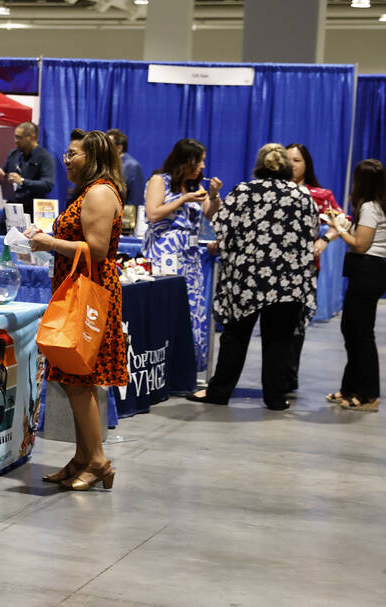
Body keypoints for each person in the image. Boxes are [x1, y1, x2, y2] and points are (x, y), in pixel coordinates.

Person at [24, 129, 128, 491]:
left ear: (93, 157)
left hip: (91, 298)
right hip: (77, 294)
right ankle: (83, 457)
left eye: (72, 155)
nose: (66, 161)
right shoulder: (88, 192)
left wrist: (50, 242)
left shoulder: (99, 193)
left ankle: (98, 460)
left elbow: (97, 250)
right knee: (72, 380)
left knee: (80, 381)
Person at [187, 144, 317, 411]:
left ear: (259, 164)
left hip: (246, 279)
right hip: (287, 281)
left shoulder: (245, 191)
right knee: (279, 340)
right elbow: (311, 233)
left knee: (235, 336)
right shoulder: (303, 196)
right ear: (287, 167)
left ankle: (220, 391)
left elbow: (220, 225)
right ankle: (275, 397)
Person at [142, 138, 222, 371]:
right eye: (200, 161)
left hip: (190, 257)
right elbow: (153, 214)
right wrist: (184, 199)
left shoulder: (196, 186)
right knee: (164, 309)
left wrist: (214, 196)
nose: (203, 167)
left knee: (190, 311)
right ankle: (159, 366)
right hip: (163, 253)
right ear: (186, 161)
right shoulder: (160, 180)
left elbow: (210, 214)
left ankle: (184, 368)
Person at [325, 159, 386, 412]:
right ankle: (350, 387)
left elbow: (360, 245)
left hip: (369, 271)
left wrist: (338, 228)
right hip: (367, 272)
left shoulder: (371, 207)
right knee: (351, 330)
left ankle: (369, 394)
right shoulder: (373, 206)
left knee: (360, 333)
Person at [285, 142, 344, 392]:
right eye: (287, 160)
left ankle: (288, 377)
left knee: (296, 325)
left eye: (297, 160)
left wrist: (324, 239)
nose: (292, 164)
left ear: (306, 164)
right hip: (270, 270)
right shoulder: (273, 191)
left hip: (306, 269)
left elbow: (343, 220)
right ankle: (274, 376)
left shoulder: (319, 195)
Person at [0, 120, 55, 220]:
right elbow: (1, 176)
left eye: (19, 137)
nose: (15, 140)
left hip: (32, 212)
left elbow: (47, 185)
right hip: (12, 208)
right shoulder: (14, 154)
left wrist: (22, 181)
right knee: (3, 228)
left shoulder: (44, 157)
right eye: (15, 137)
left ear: (32, 137)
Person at [107, 127, 145, 208]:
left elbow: (135, 201)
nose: (104, 148)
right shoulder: (105, 164)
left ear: (119, 148)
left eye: (108, 145)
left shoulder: (132, 166)